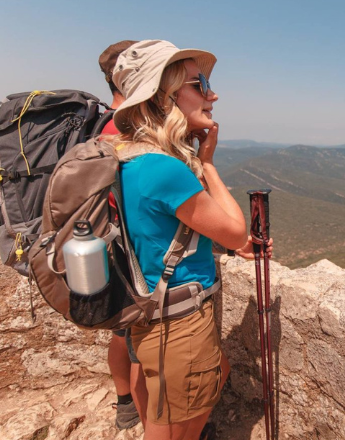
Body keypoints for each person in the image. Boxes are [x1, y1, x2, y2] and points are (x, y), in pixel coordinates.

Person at [109, 39, 272, 440]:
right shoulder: (163, 169)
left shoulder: (129, 156)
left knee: (204, 385)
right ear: (164, 96)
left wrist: (227, 242)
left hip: (154, 316)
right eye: (200, 85)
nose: (213, 95)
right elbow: (236, 229)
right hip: (179, 325)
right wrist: (209, 163)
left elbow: (161, 229)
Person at [97, 39, 148, 431]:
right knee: (139, 351)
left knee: (121, 335)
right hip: (132, 255)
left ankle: (124, 403)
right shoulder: (125, 127)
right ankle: (152, 423)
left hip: (108, 246)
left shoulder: (102, 123)